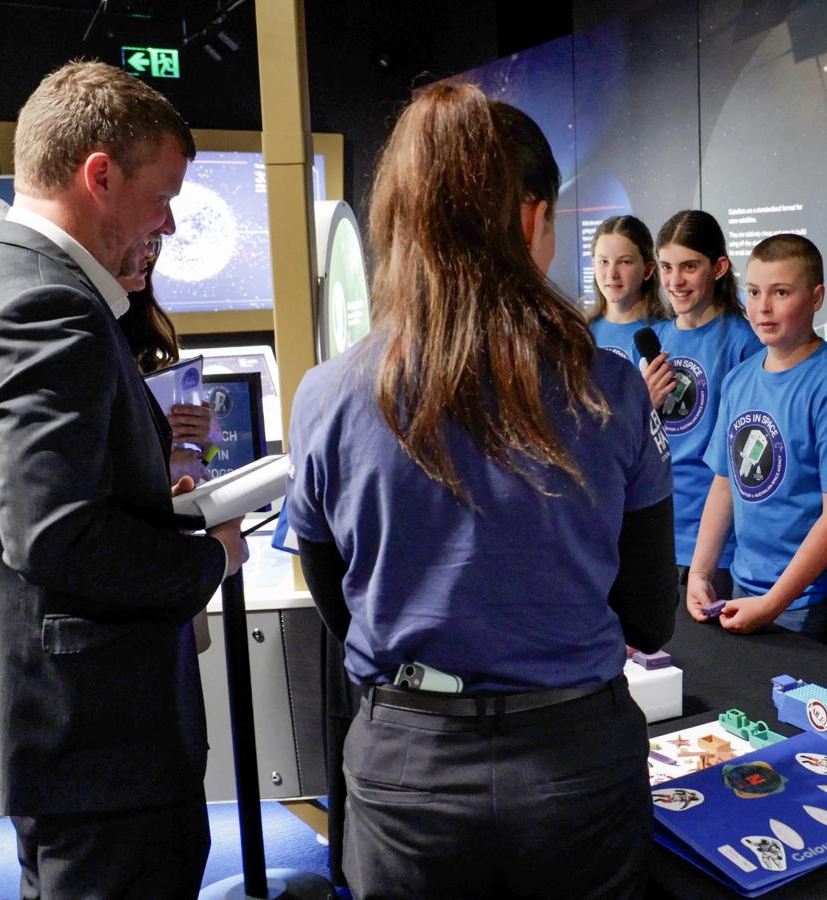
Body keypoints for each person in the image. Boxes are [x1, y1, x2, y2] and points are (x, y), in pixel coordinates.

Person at [284, 83, 676, 898]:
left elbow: (337, 597)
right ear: (531, 217)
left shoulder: (326, 395)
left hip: (407, 767)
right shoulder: (611, 390)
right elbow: (648, 614)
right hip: (575, 764)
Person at [0, 61, 247, 897]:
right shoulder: (49, 305)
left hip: (58, 725)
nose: (169, 221)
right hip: (101, 737)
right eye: (162, 195)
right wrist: (210, 556)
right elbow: (55, 536)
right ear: (99, 175)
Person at [687, 233, 827, 646]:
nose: (763, 307)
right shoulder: (739, 379)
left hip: (808, 602)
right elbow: (724, 484)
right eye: (753, 292)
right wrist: (701, 572)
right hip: (743, 588)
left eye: (780, 292)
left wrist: (773, 603)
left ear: (816, 297)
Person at [645, 210, 763, 605]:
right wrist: (642, 404)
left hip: (717, 546)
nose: (675, 281)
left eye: (689, 267)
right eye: (667, 267)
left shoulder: (746, 344)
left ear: (719, 268)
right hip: (657, 532)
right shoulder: (651, 341)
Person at [115, 242, 216, 485]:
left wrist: (205, 441)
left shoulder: (150, 357)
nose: (149, 253)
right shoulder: (87, 345)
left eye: (153, 243)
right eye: (142, 241)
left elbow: (206, 460)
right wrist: (161, 467)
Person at [586, 214, 667, 361]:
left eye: (625, 262)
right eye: (604, 262)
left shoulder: (665, 333)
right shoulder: (582, 332)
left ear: (648, 270)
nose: (612, 274)